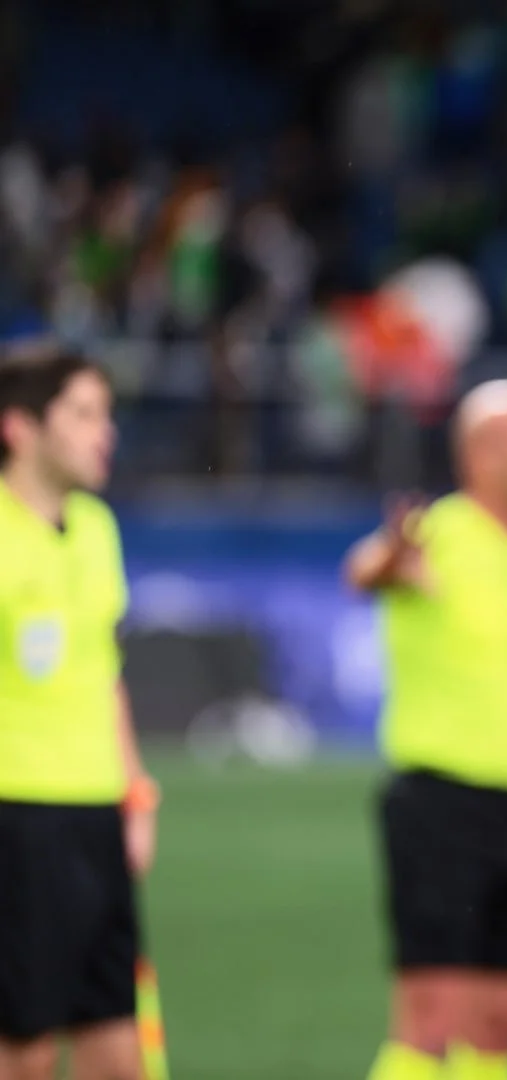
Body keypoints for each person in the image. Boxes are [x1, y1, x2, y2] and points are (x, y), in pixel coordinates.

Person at [347, 380, 507, 1080]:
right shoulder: (435, 534)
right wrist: (390, 561)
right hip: (438, 806)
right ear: (487, 456)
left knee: (502, 1025)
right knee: (431, 1023)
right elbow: (365, 572)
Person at [0, 349, 157, 1080]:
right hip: (16, 819)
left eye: (107, 414)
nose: (106, 433)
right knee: (24, 1053)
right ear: (20, 427)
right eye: (85, 414)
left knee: (116, 1052)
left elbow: (104, 673)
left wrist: (133, 791)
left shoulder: (96, 528)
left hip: (93, 818)